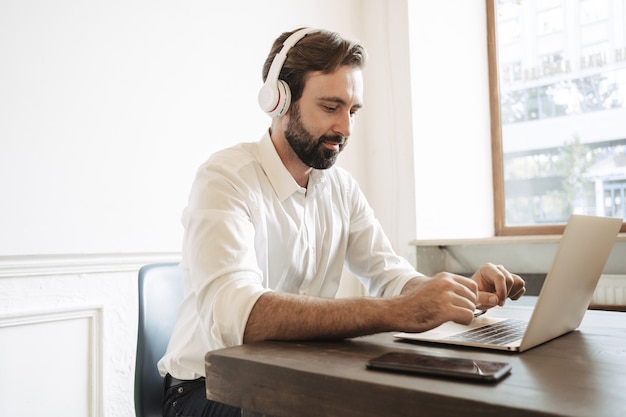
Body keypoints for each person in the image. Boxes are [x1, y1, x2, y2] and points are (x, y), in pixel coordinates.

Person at [158, 27, 526, 417]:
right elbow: (238, 316)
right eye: (331, 108)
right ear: (279, 100)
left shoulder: (340, 187)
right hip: (205, 389)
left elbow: (390, 276)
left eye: (352, 111)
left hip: (292, 377)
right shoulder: (225, 178)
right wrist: (397, 312)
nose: (346, 129)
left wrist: (455, 293)